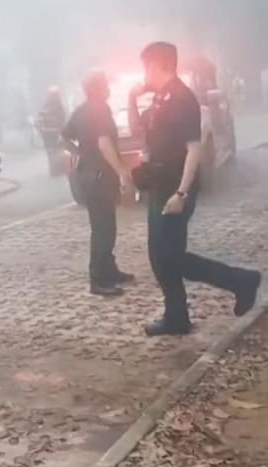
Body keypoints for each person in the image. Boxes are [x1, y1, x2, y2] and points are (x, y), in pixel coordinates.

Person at [128, 42, 262, 336]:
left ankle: (240, 281)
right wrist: (131, 98)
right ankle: (177, 315)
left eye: (146, 67)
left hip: (174, 188)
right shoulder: (161, 98)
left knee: (170, 257)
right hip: (158, 185)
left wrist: (182, 193)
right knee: (160, 256)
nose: (144, 74)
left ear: (156, 65)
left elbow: (194, 149)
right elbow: (138, 130)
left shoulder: (182, 99)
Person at [62, 71, 135, 296]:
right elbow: (104, 143)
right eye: (104, 84)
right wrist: (122, 171)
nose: (108, 87)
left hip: (88, 175)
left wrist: (80, 153)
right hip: (100, 176)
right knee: (103, 228)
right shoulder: (100, 109)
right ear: (97, 88)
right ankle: (98, 279)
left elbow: (64, 136)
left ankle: (109, 269)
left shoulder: (81, 110)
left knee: (106, 226)